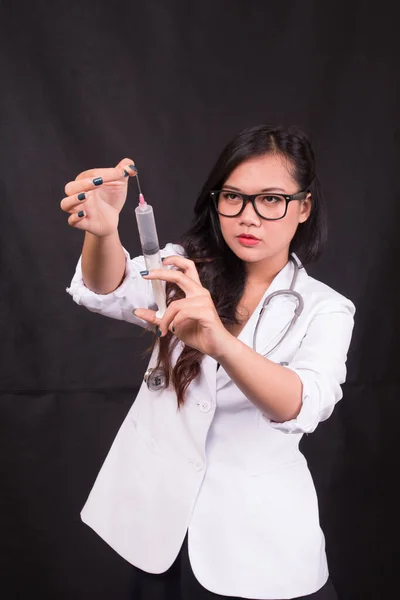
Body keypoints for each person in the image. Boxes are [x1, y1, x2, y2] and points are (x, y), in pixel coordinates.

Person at [61, 124, 355, 600]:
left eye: (272, 199)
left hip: (260, 547)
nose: (249, 217)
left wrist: (222, 343)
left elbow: (301, 404)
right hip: (162, 536)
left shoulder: (326, 308)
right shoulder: (184, 268)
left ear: (303, 207)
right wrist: (104, 231)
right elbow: (107, 287)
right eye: (233, 197)